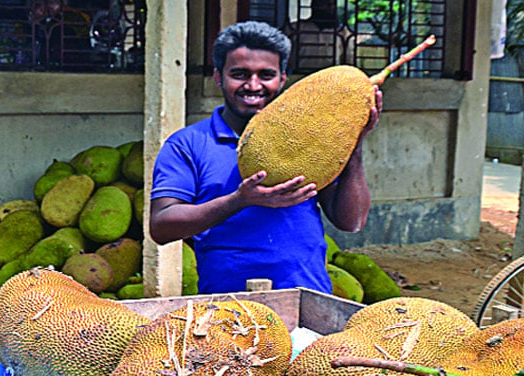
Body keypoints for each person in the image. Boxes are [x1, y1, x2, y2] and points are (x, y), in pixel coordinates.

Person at [149, 20, 382, 295]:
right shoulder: (188, 144)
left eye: (266, 75)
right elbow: (162, 226)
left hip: (306, 300)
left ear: (282, 79)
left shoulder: (310, 139)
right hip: (227, 304)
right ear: (217, 77)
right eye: (239, 74)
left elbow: (351, 222)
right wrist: (240, 200)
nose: (253, 85)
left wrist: (354, 143)